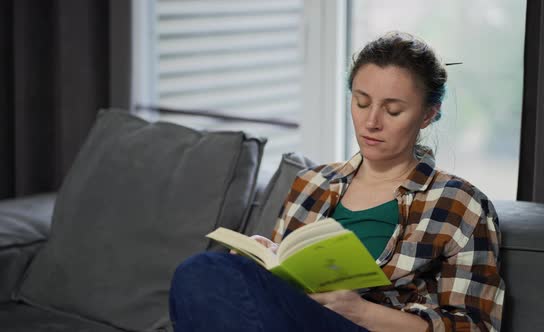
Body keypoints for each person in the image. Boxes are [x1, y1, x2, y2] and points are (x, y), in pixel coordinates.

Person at [169, 31, 505, 332]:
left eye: (392, 110)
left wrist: (361, 312)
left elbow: (474, 327)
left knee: (203, 270)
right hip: (296, 321)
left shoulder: (460, 204)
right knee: (202, 274)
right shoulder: (311, 184)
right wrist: (262, 261)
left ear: (429, 113)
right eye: (361, 102)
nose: (371, 122)